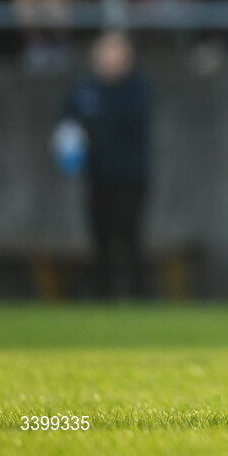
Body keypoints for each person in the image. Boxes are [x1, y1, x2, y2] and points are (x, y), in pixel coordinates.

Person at [62, 31, 152, 298]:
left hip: (131, 178)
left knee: (130, 238)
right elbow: (67, 124)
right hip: (97, 178)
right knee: (99, 239)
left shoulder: (136, 90)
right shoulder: (84, 90)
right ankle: (103, 297)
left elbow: (129, 126)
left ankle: (138, 296)